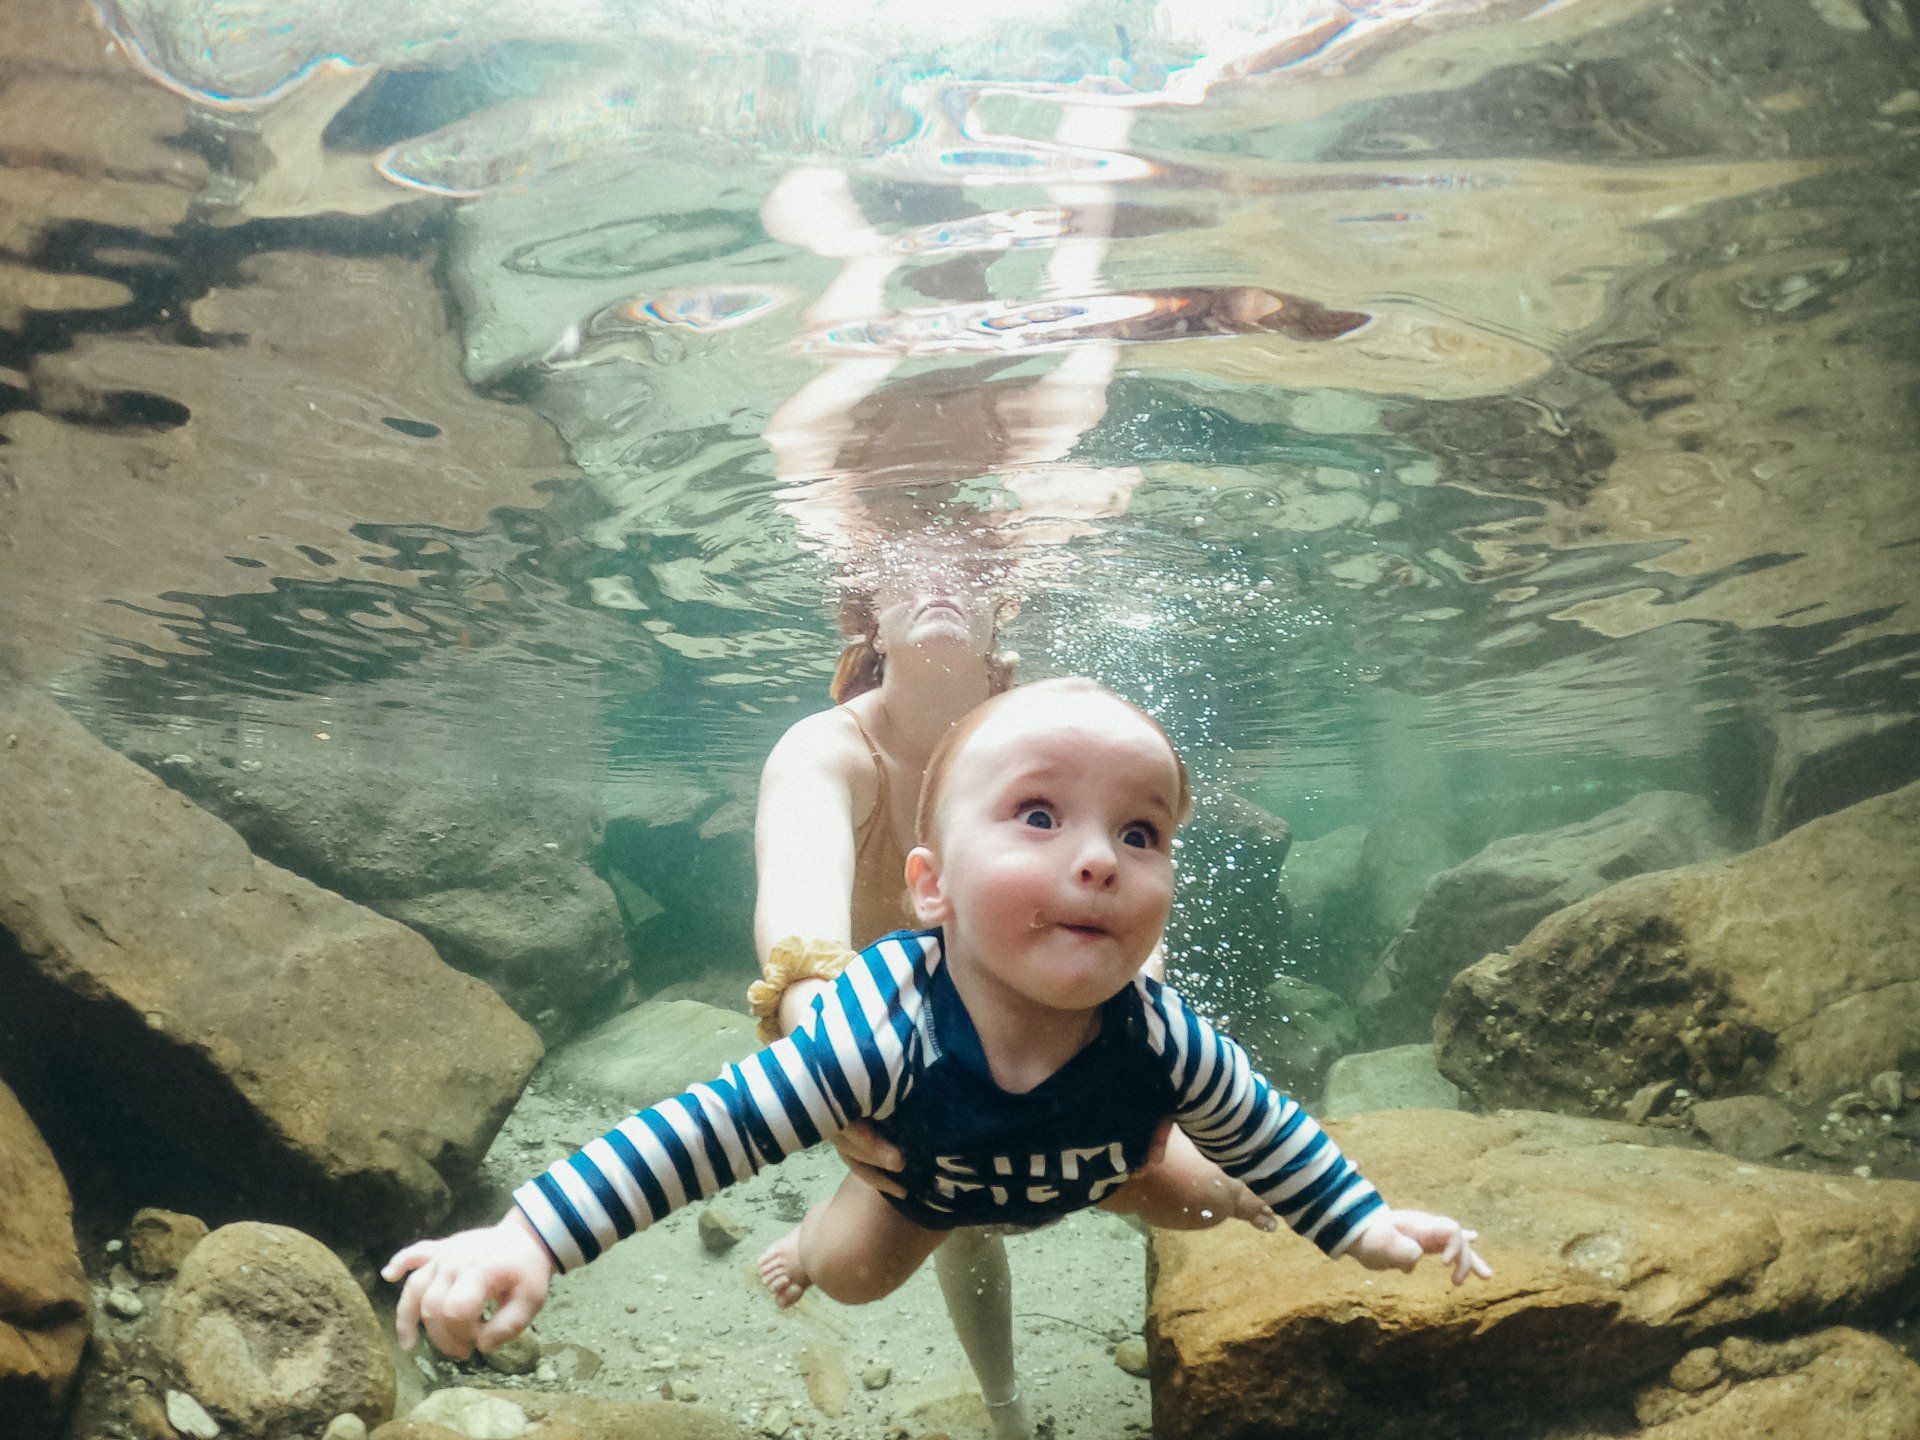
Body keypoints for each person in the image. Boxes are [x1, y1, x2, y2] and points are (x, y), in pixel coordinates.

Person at [381, 679, 1493, 1425]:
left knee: (1212, 1193)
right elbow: (697, 1137)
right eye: (1041, 818)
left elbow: (1263, 1124)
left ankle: (1230, 1206)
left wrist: (1360, 1223)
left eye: (1140, 832)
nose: (1100, 859)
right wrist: (533, 1237)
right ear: (932, 889)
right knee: (856, 1279)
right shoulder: (879, 1036)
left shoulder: (1163, 1038)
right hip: (931, 1182)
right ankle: (816, 1244)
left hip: (1097, 1161)